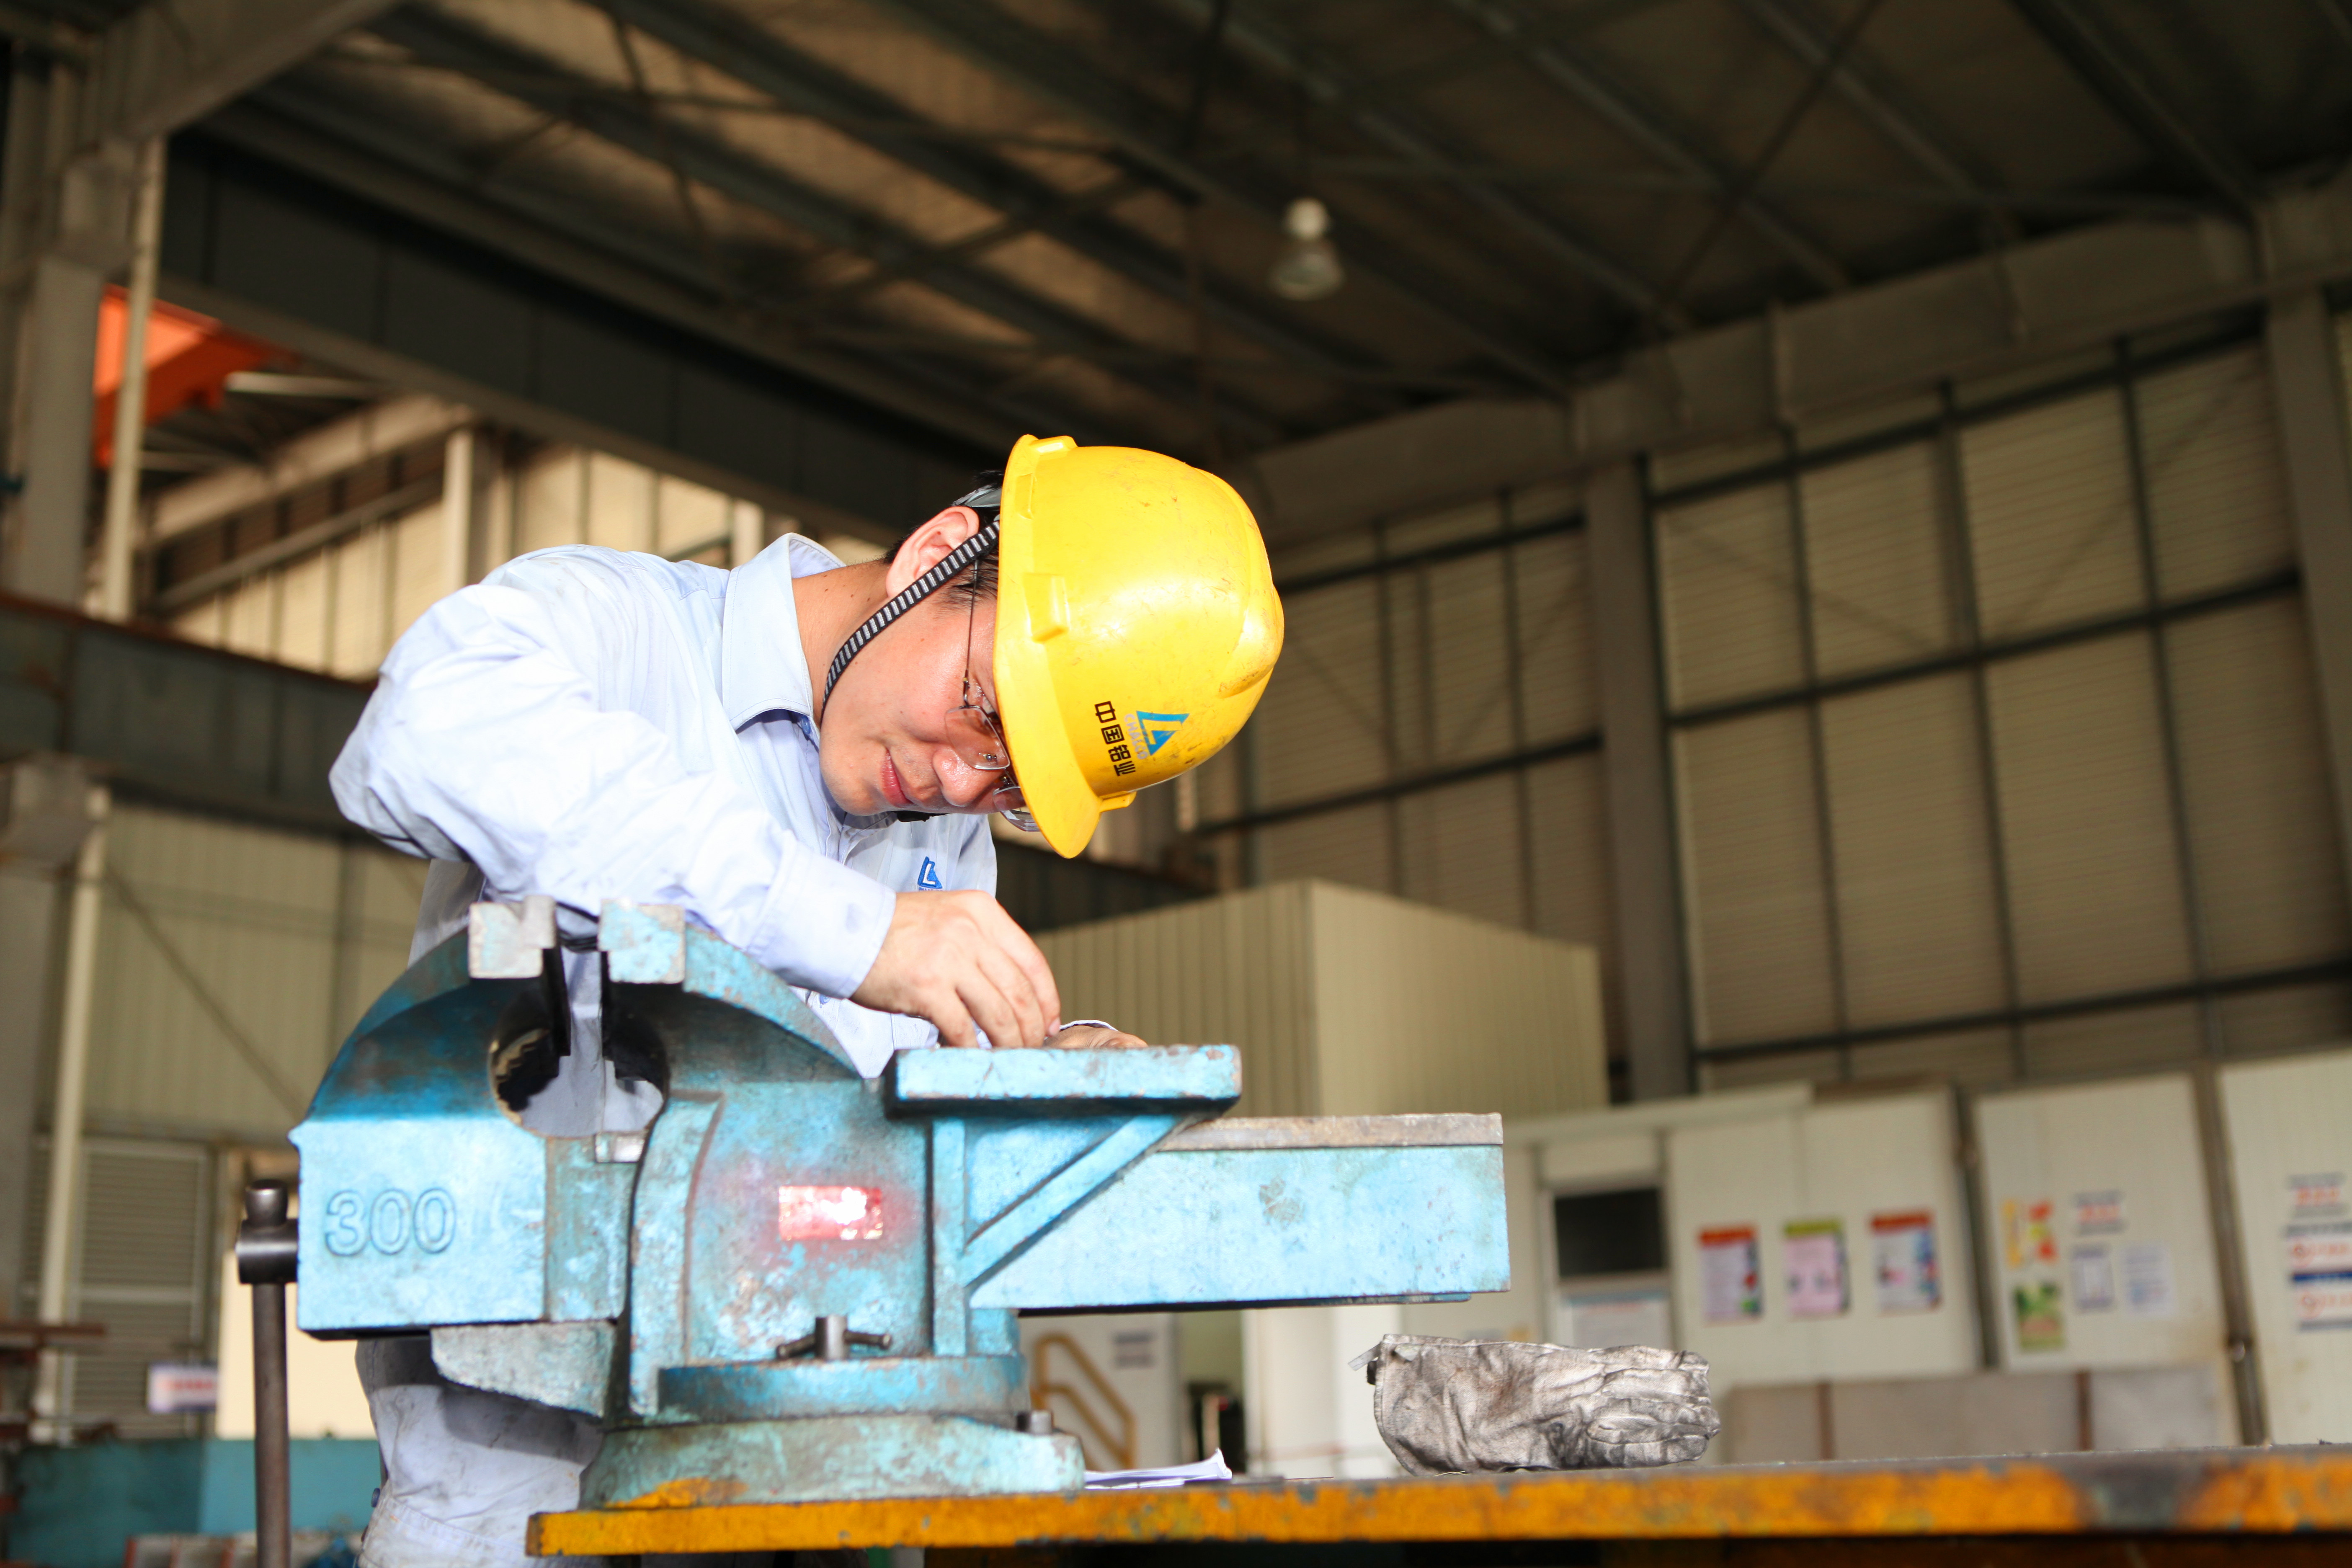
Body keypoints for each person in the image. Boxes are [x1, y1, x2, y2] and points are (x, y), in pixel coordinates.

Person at [325, 433, 1283, 1568]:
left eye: (1015, 784)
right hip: (512, 1509)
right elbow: (414, 741)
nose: (959, 782)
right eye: (982, 709)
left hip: (807, 1487)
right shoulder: (618, 632)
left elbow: (863, 1141)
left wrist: (1037, 1073)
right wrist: (856, 932)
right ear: (937, 553)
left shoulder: (941, 839)